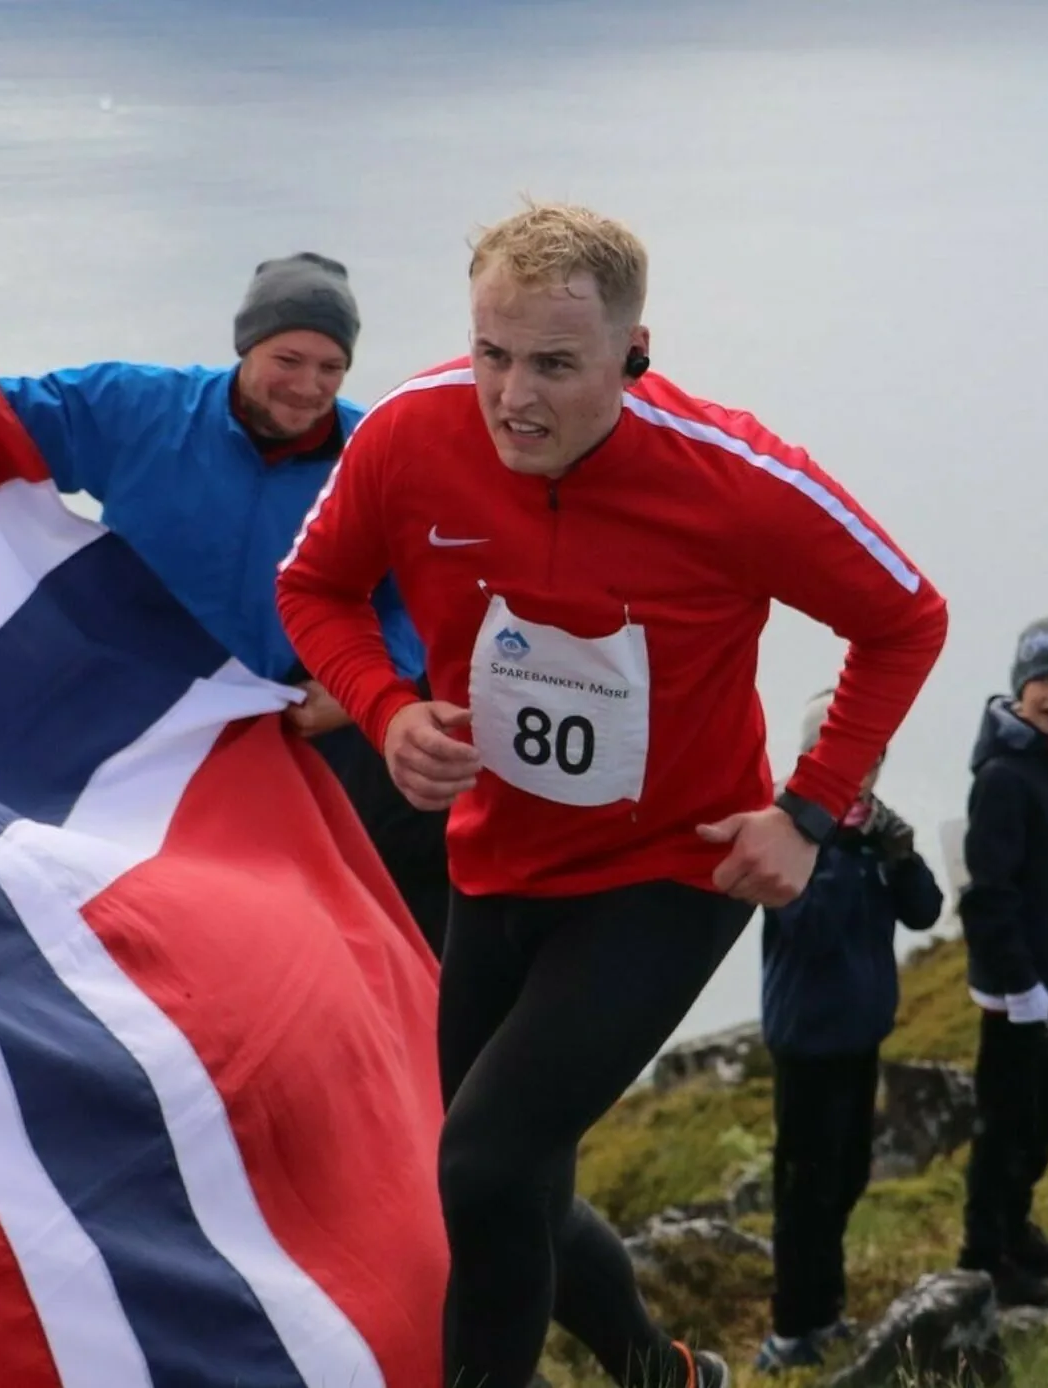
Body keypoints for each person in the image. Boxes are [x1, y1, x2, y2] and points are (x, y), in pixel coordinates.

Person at [276, 202, 949, 1388]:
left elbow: (904, 615)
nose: (511, 397)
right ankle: (666, 1373)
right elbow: (313, 586)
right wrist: (387, 710)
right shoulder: (404, 436)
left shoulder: (732, 480)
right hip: (495, 856)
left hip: (670, 870)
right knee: (514, 1180)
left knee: (481, 1167)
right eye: (490, 353)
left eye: (553, 363)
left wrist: (806, 811)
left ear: (634, 355)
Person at [0, 253, 453, 950]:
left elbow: (426, 593)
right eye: (289, 359)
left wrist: (359, 680)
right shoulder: (137, 408)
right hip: (134, 723)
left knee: (280, 930)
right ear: (247, 346)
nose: (307, 387)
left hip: (293, 733)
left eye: (331, 368)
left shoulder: (376, 455)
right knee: (114, 917)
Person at [753, 691, 945, 1373]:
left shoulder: (870, 830)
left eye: (873, 757)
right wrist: (845, 842)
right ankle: (791, 1331)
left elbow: (925, 912)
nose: (862, 771)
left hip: (860, 1034)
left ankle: (825, 1312)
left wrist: (902, 855)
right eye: (847, 756)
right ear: (815, 757)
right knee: (804, 1188)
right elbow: (809, 929)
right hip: (807, 1040)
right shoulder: (792, 830)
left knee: (846, 1176)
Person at [955, 617, 1048, 1303]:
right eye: (1045, 680)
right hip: (1018, 987)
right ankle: (987, 1255)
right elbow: (987, 894)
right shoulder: (1005, 774)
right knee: (1007, 1120)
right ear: (1022, 684)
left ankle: (1016, 1229)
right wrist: (1020, 984)